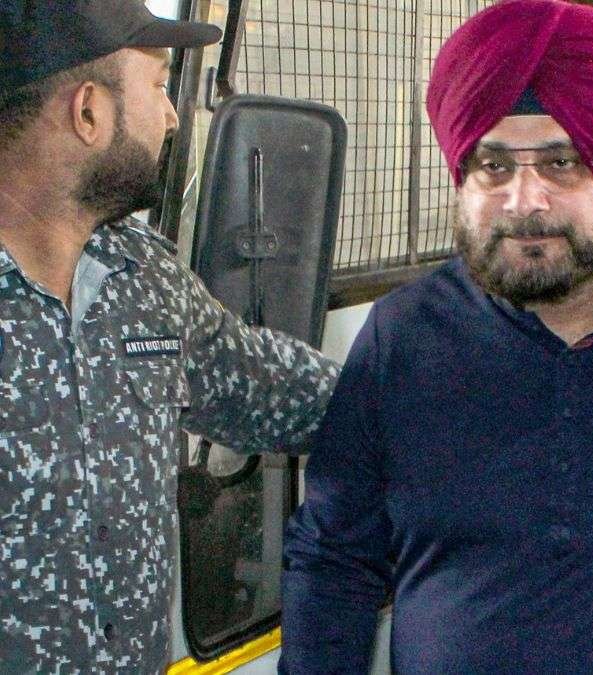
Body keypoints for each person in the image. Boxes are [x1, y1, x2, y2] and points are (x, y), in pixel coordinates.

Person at [279, 1, 593, 672]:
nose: (524, 201)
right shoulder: (406, 335)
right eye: (493, 166)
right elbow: (334, 558)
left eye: (562, 162)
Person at [0, 1, 340, 671]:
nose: (172, 115)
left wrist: (437, 390)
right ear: (88, 112)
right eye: (158, 85)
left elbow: (264, 386)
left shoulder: (142, 274)